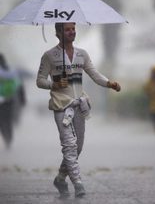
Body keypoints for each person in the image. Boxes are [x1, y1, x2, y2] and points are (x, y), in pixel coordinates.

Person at [36, 22, 121, 198]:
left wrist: (109, 83)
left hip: (79, 105)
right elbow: (40, 80)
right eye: (67, 29)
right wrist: (54, 84)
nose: (72, 32)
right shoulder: (49, 56)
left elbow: (94, 74)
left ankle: (60, 178)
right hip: (61, 107)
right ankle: (78, 183)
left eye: (73, 29)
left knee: (78, 147)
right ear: (58, 32)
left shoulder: (82, 54)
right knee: (69, 145)